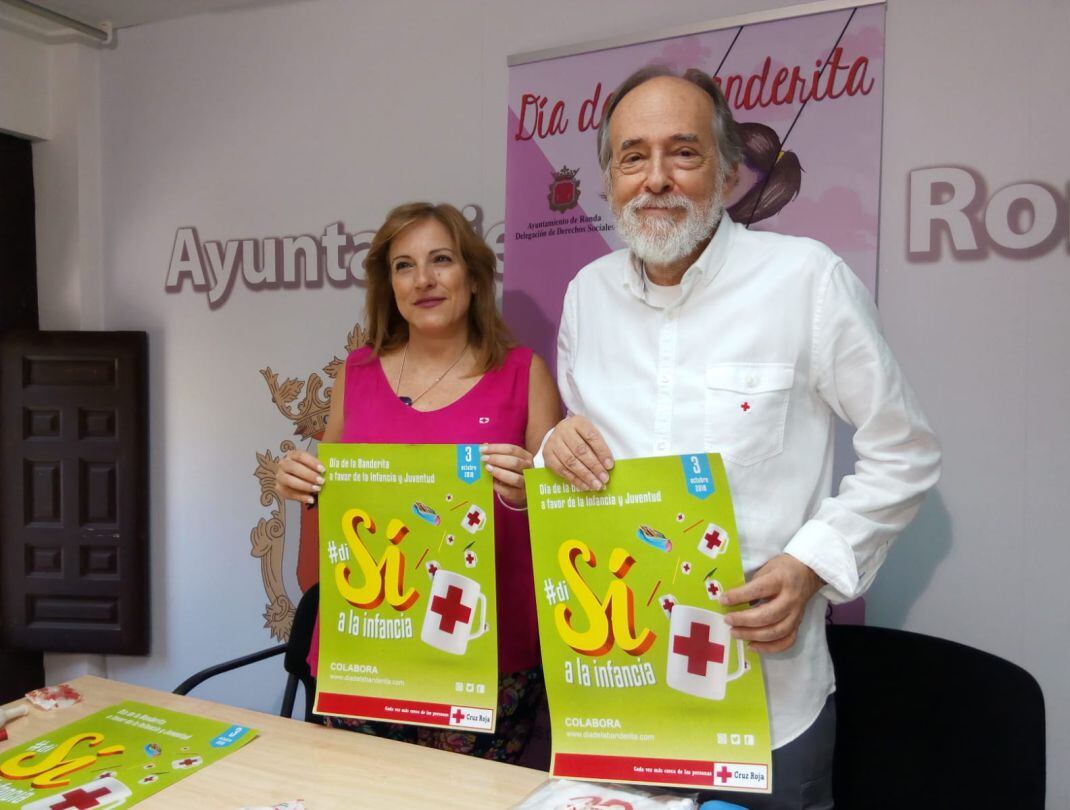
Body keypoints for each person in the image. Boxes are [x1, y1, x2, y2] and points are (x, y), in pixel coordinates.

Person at [541, 66, 942, 808]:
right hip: (617, 696)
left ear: (727, 174)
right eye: (633, 156)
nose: (656, 178)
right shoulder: (585, 297)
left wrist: (811, 565)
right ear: (607, 180)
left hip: (765, 705)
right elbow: (582, 457)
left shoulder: (807, 281)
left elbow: (905, 452)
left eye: (683, 153)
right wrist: (552, 450)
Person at [276, 201, 561, 763]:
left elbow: (561, 516)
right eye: (404, 266)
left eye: (441, 260)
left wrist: (531, 495)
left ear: (474, 278)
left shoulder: (523, 372)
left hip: (488, 651)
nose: (424, 280)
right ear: (390, 285)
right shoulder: (354, 373)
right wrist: (300, 481)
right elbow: (331, 492)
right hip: (369, 643)